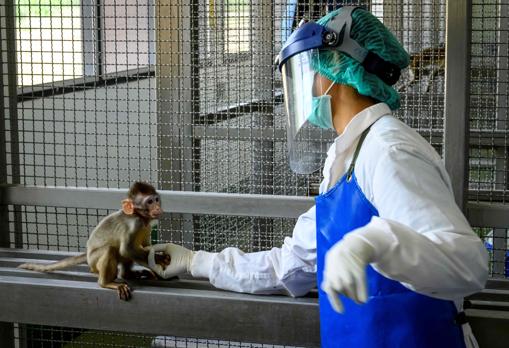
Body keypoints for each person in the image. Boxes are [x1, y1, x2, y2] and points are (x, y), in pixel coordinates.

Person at [149, 6, 488, 348]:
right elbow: (294, 264)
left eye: (313, 69)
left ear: (338, 69)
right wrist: (196, 262)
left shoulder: (388, 151)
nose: (310, 83)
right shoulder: (346, 156)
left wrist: (372, 243)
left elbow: (465, 262)